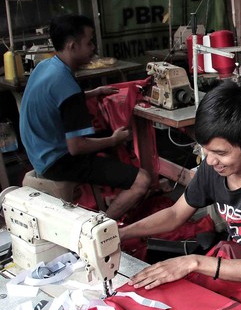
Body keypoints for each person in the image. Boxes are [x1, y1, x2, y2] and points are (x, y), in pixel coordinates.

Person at [121, 83, 241, 289]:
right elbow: (176, 214)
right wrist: (123, 233)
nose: (210, 161)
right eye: (206, 150)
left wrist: (195, 262)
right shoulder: (213, 168)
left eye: (221, 153)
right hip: (236, 265)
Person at [19, 14, 150, 220]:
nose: (93, 49)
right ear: (72, 46)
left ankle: (110, 194)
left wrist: (93, 92)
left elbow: (56, 101)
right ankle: (98, 226)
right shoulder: (67, 86)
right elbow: (77, 147)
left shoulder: (47, 67)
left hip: (38, 151)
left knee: (107, 139)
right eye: (89, 43)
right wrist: (114, 139)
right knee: (142, 180)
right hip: (58, 161)